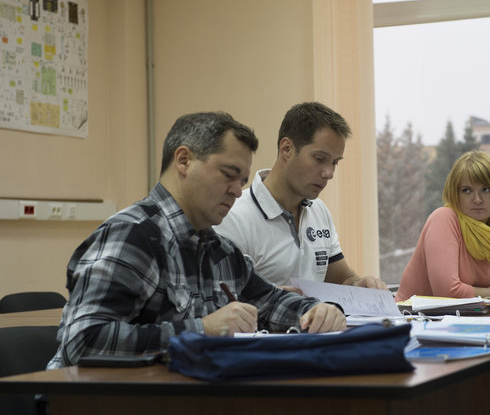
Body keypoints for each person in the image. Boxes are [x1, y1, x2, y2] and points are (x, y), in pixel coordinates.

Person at [48, 111, 346, 368]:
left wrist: (314, 311)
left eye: (242, 181)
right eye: (228, 174)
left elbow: (270, 301)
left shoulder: (218, 250)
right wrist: (202, 329)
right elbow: (82, 341)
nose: (237, 191)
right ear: (184, 160)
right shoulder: (133, 236)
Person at [216, 102, 387, 291]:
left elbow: (341, 278)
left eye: (335, 163)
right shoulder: (233, 217)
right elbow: (225, 302)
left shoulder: (318, 210)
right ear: (287, 149)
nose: (329, 173)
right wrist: (272, 300)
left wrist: (359, 284)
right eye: (320, 159)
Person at [395, 150, 490, 301]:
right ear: (455, 194)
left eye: (486, 189)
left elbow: (489, 289)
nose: (477, 199)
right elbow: (446, 292)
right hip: (412, 320)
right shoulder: (444, 218)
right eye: (467, 191)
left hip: (462, 320)